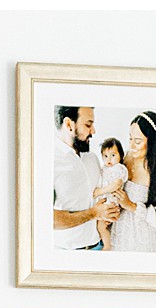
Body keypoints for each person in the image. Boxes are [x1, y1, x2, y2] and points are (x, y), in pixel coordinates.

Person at [52, 104, 118, 250]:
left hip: (99, 247)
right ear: (69, 124)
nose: (93, 131)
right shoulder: (49, 161)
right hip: (66, 254)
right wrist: (94, 213)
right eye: (88, 125)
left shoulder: (92, 158)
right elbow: (47, 219)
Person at [108, 112, 156, 254]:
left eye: (137, 141)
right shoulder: (126, 157)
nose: (131, 145)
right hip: (119, 232)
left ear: (152, 141)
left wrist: (131, 206)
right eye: (130, 138)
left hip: (142, 239)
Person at [92, 137, 128, 250]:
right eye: (105, 156)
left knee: (101, 226)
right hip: (104, 201)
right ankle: (105, 243)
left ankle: (107, 247)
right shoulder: (104, 169)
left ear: (121, 155)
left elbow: (116, 184)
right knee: (101, 225)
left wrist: (100, 192)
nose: (109, 159)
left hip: (111, 201)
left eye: (113, 155)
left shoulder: (119, 168)